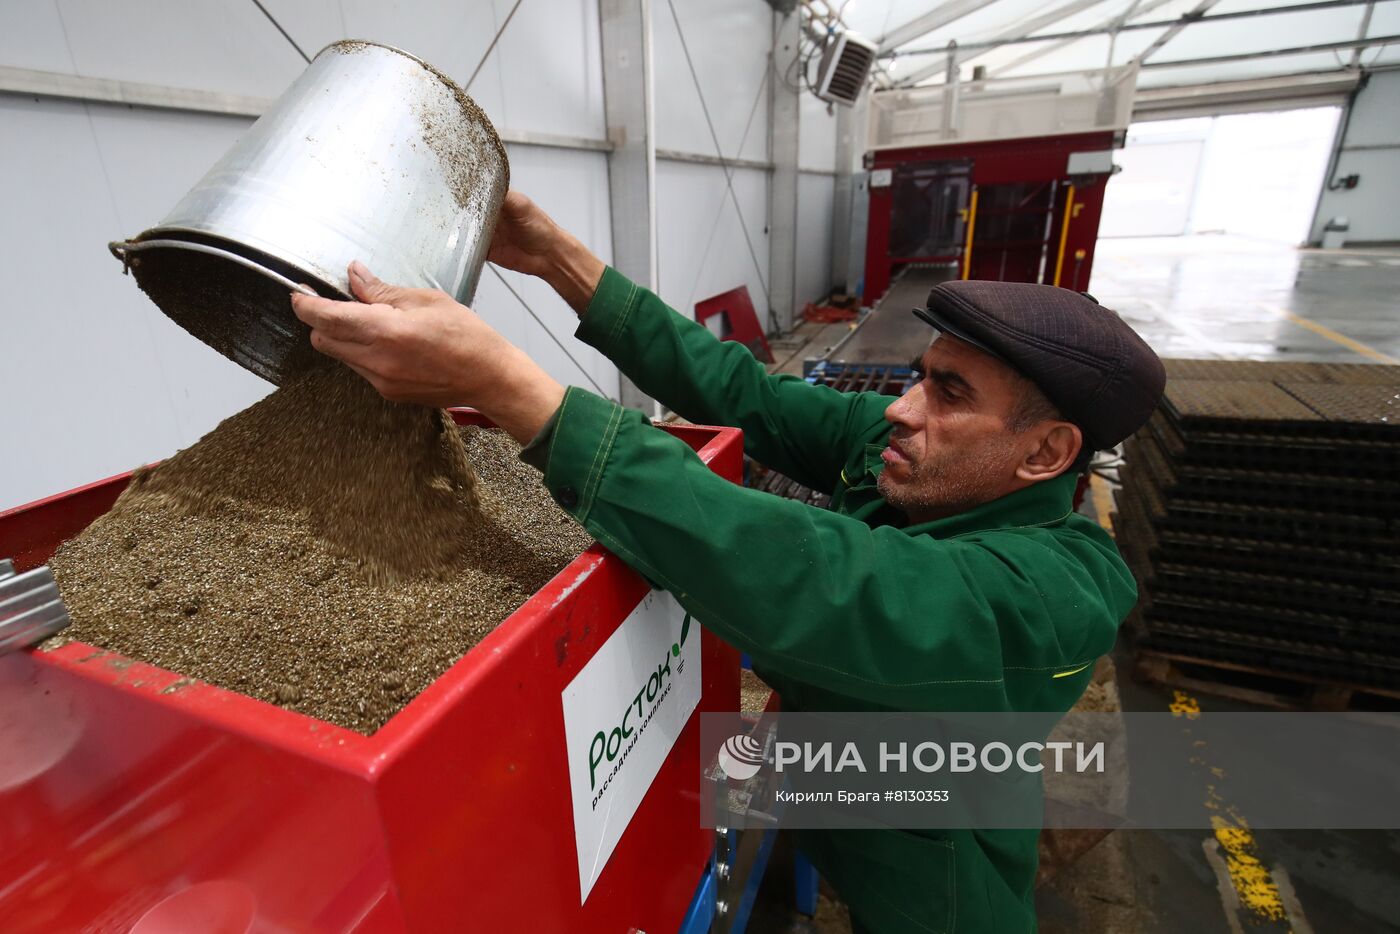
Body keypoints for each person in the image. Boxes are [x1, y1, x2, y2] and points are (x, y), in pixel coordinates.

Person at [290, 190, 1165, 932]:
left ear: (1046, 453)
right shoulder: (914, 456)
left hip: (922, 855)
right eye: (921, 375)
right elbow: (743, 391)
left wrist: (511, 391)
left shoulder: (1058, 592)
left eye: (950, 393)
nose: (902, 410)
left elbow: (824, 583)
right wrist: (558, 259)